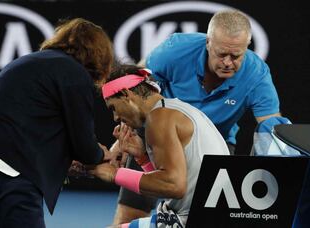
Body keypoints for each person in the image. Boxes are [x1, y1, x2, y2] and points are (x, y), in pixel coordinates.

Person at [113, 9, 283, 224]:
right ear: (208, 43)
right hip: (158, 142)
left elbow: (271, 128)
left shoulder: (257, 74)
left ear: (247, 47)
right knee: (130, 216)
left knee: (202, 222)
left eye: (236, 55)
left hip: (213, 149)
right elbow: (133, 93)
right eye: (222, 54)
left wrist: (280, 175)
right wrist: (121, 140)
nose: (228, 62)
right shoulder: (175, 51)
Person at [0, 18, 114, 228]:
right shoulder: (75, 73)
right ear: (99, 54)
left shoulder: (31, 62)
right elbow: (84, 146)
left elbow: (30, 127)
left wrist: (64, 161)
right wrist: (102, 155)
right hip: (6, 164)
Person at [89, 65, 230, 227]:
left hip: (191, 220)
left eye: (113, 108)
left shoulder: (160, 117)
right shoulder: (174, 109)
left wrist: (114, 174)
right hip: (207, 217)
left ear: (127, 95)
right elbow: (172, 187)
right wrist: (143, 159)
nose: (115, 117)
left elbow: (174, 186)